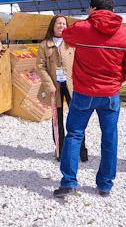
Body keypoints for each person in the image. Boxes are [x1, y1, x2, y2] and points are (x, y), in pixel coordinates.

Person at [53, 0, 126, 198]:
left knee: (74, 134)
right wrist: (116, 82)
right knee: (109, 137)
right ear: (113, 11)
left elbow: (66, 36)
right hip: (110, 94)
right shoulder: (125, 34)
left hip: (84, 92)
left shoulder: (83, 28)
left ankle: (69, 182)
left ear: (92, 9)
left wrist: (89, 19)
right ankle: (105, 185)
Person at [36, 15, 88, 163]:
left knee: (77, 119)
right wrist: (49, 85)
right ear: (53, 26)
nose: (61, 26)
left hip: (72, 85)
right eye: (58, 23)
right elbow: (40, 66)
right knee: (56, 119)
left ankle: (81, 151)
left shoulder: (72, 43)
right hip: (54, 87)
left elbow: (80, 62)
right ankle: (60, 150)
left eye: (64, 24)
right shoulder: (44, 45)